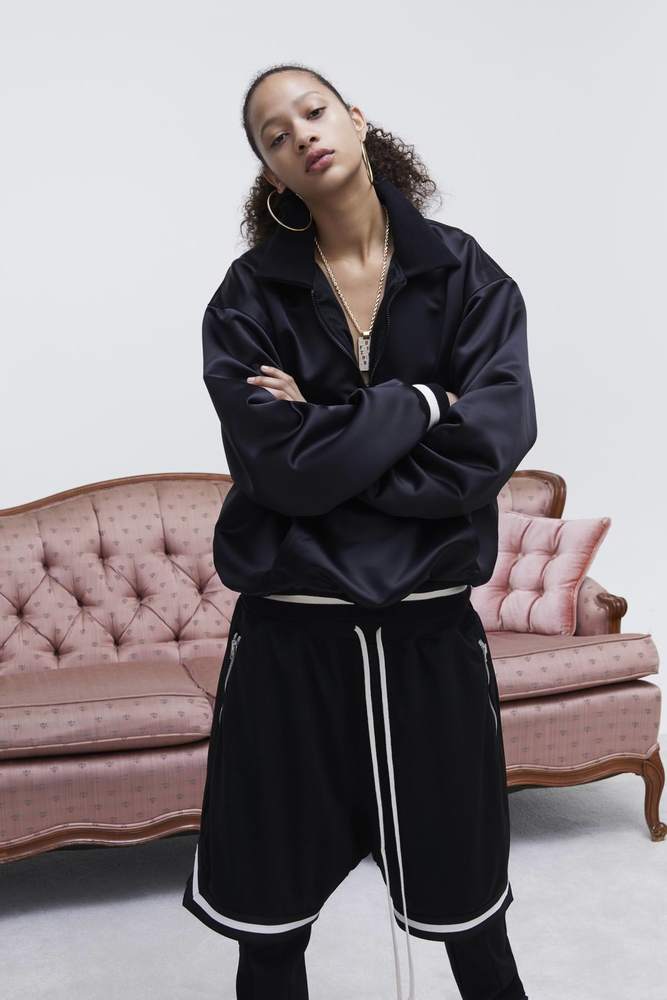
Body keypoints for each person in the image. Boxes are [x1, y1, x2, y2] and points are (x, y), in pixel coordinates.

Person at [182, 61, 536, 1000]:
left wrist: (325, 426)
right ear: (270, 171)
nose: (299, 132)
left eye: (313, 110)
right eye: (274, 134)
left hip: (429, 637)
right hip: (289, 646)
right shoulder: (248, 297)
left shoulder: (465, 275)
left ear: (355, 118)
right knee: (268, 933)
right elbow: (277, 470)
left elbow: (481, 453)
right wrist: (419, 402)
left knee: (475, 928)